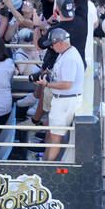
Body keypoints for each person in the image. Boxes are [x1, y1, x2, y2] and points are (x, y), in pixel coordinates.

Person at [38, 26, 83, 160]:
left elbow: (67, 84)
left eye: (52, 44)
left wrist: (47, 84)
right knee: (53, 138)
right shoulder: (66, 53)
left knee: (55, 140)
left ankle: (47, 172)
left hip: (65, 101)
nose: (51, 47)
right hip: (63, 100)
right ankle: (44, 167)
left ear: (61, 42)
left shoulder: (69, 58)